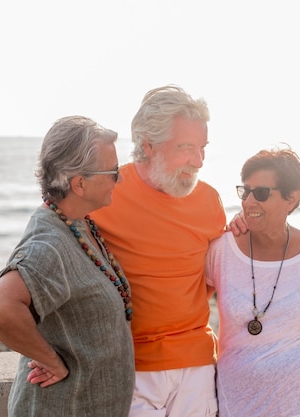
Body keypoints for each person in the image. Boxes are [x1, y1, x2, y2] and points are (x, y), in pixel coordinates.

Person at [0, 116, 135, 417]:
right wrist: (50, 360)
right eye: (113, 172)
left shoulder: (77, 224)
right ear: (79, 183)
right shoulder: (50, 243)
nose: (120, 179)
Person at [91, 85, 226, 417]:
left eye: (203, 147)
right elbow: (58, 264)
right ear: (148, 145)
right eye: (185, 148)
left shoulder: (209, 200)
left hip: (197, 365)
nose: (198, 161)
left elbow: (208, 279)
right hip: (130, 367)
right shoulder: (104, 193)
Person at [206, 146, 300, 417]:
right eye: (245, 191)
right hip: (241, 404)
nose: (249, 201)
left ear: (291, 199)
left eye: (260, 193)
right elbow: (192, 308)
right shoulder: (221, 250)